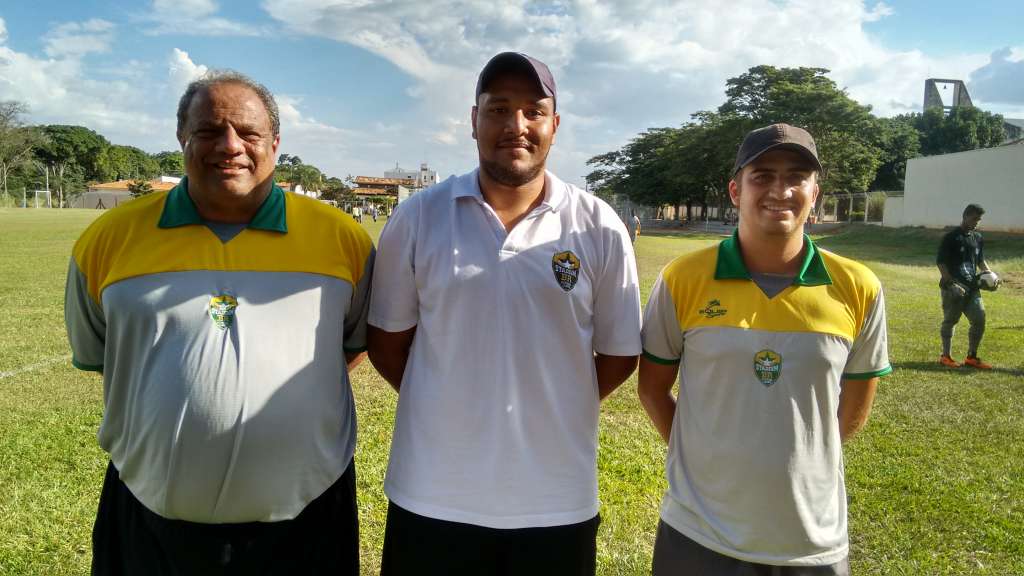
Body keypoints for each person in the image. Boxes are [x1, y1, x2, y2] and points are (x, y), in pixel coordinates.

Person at [65, 70, 374, 575]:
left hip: (307, 513)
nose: (230, 146)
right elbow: (106, 357)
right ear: (182, 139)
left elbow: (351, 345)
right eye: (209, 131)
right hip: (149, 514)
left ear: (275, 143)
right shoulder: (108, 240)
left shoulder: (343, 239)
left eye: (249, 133)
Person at [367, 52, 642, 575]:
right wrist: (451, 397)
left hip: (556, 499)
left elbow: (619, 352)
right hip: (432, 494)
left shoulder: (598, 225)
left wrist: (553, 398)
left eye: (533, 111)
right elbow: (386, 343)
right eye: (498, 110)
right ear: (473, 121)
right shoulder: (419, 215)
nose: (515, 125)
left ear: (554, 125)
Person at [638, 123, 891, 575]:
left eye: (796, 176)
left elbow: (853, 410)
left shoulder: (858, 287)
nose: (781, 189)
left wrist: (800, 458)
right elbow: (653, 388)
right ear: (736, 190)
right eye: (763, 176)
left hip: (811, 541)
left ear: (816, 192)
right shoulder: (683, 279)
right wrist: (702, 458)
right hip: (698, 532)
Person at [937, 204, 998, 369]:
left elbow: (980, 260)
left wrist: (991, 276)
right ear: (965, 216)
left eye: (979, 219)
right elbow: (941, 263)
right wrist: (951, 284)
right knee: (951, 321)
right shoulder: (951, 237)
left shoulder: (978, 237)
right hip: (954, 287)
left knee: (979, 319)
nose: (977, 222)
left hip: (972, 287)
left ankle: (971, 357)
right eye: (974, 219)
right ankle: (945, 356)